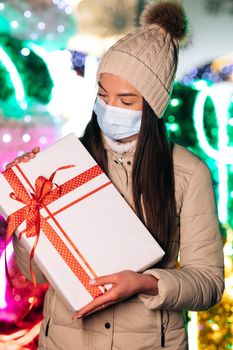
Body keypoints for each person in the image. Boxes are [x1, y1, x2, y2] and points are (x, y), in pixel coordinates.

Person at [7, 1, 224, 349]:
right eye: (103, 95)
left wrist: (147, 284)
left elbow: (209, 284)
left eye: (126, 101)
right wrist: (26, 202)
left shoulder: (187, 172)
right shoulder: (68, 162)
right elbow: (29, 274)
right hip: (65, 341)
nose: (109, 109)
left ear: (154, 107)